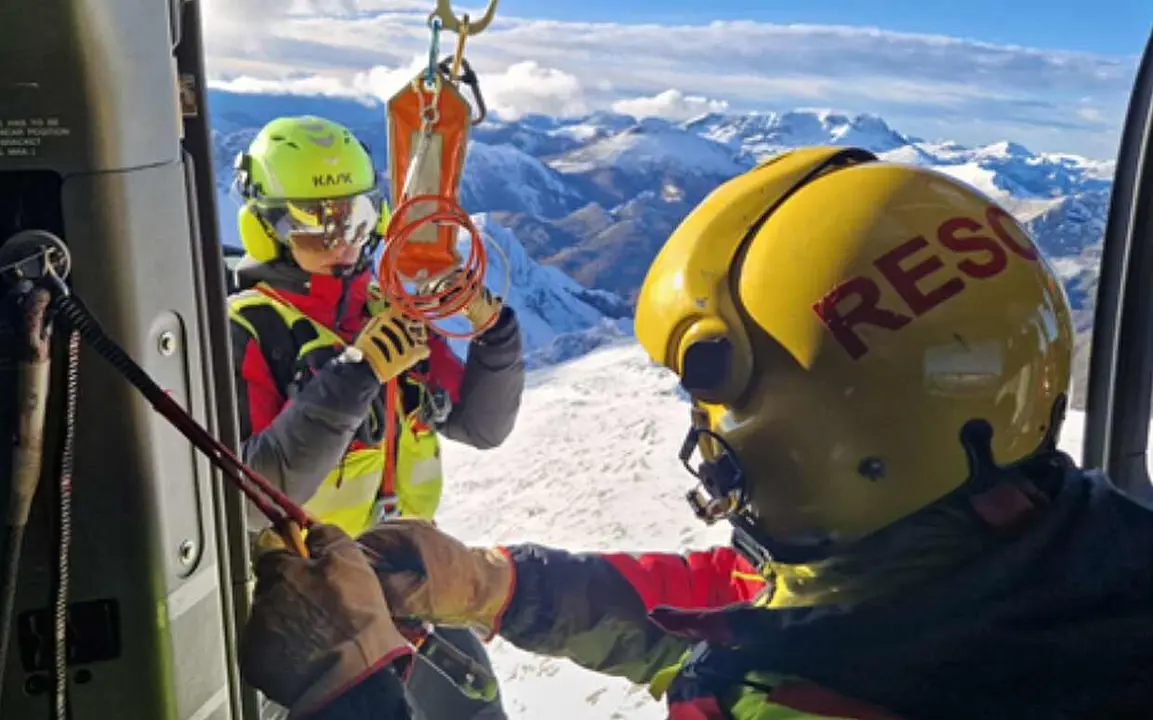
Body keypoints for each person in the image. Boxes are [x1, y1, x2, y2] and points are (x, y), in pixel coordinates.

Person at [238, 145, 1153, 719]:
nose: (705, 435)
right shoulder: (1077, 545)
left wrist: (351, 704)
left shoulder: (791, 697)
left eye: (713, 405)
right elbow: (746, 604)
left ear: (828, 430)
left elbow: (757, 634)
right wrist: (492, 586)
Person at [227, 115, 521, 720]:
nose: (342, 244)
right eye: (313, 225)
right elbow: (256, 493)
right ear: (264, 231)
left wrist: (496, 338)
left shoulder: (388, 311)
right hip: (319, 619)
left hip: (410, 589)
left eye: (355, 220)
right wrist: (354, 377)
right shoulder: (249, 330)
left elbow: (482, 427)